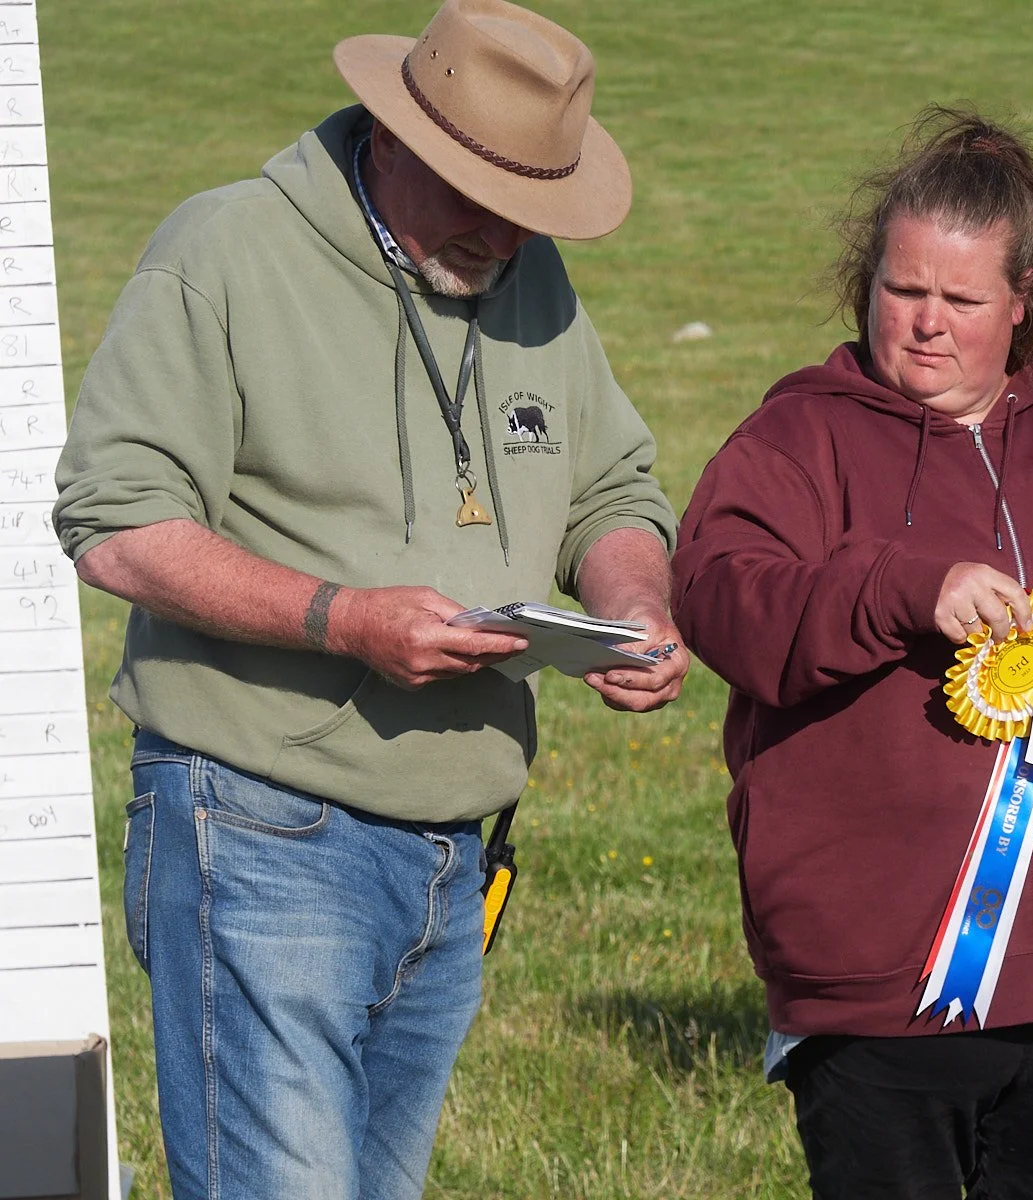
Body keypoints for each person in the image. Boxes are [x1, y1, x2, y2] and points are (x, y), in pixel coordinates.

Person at [52, 2, 688, 1196]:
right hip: (257, 827)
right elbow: (117, 525)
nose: (505, 232)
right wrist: (341, 620)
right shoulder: (225, 251)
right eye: (478, 194)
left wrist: (632, 608)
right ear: (393, 136)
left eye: (532, 206)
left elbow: (612, 492)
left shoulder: (527, 272)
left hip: (453, 853)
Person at [671, 106, 1033, 1200]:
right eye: (903, 290)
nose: (926, 325)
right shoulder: (792, 442)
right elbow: (721, 600)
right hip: (877, 991)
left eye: (962, 300)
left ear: (1023, 300)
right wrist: (905, 588)